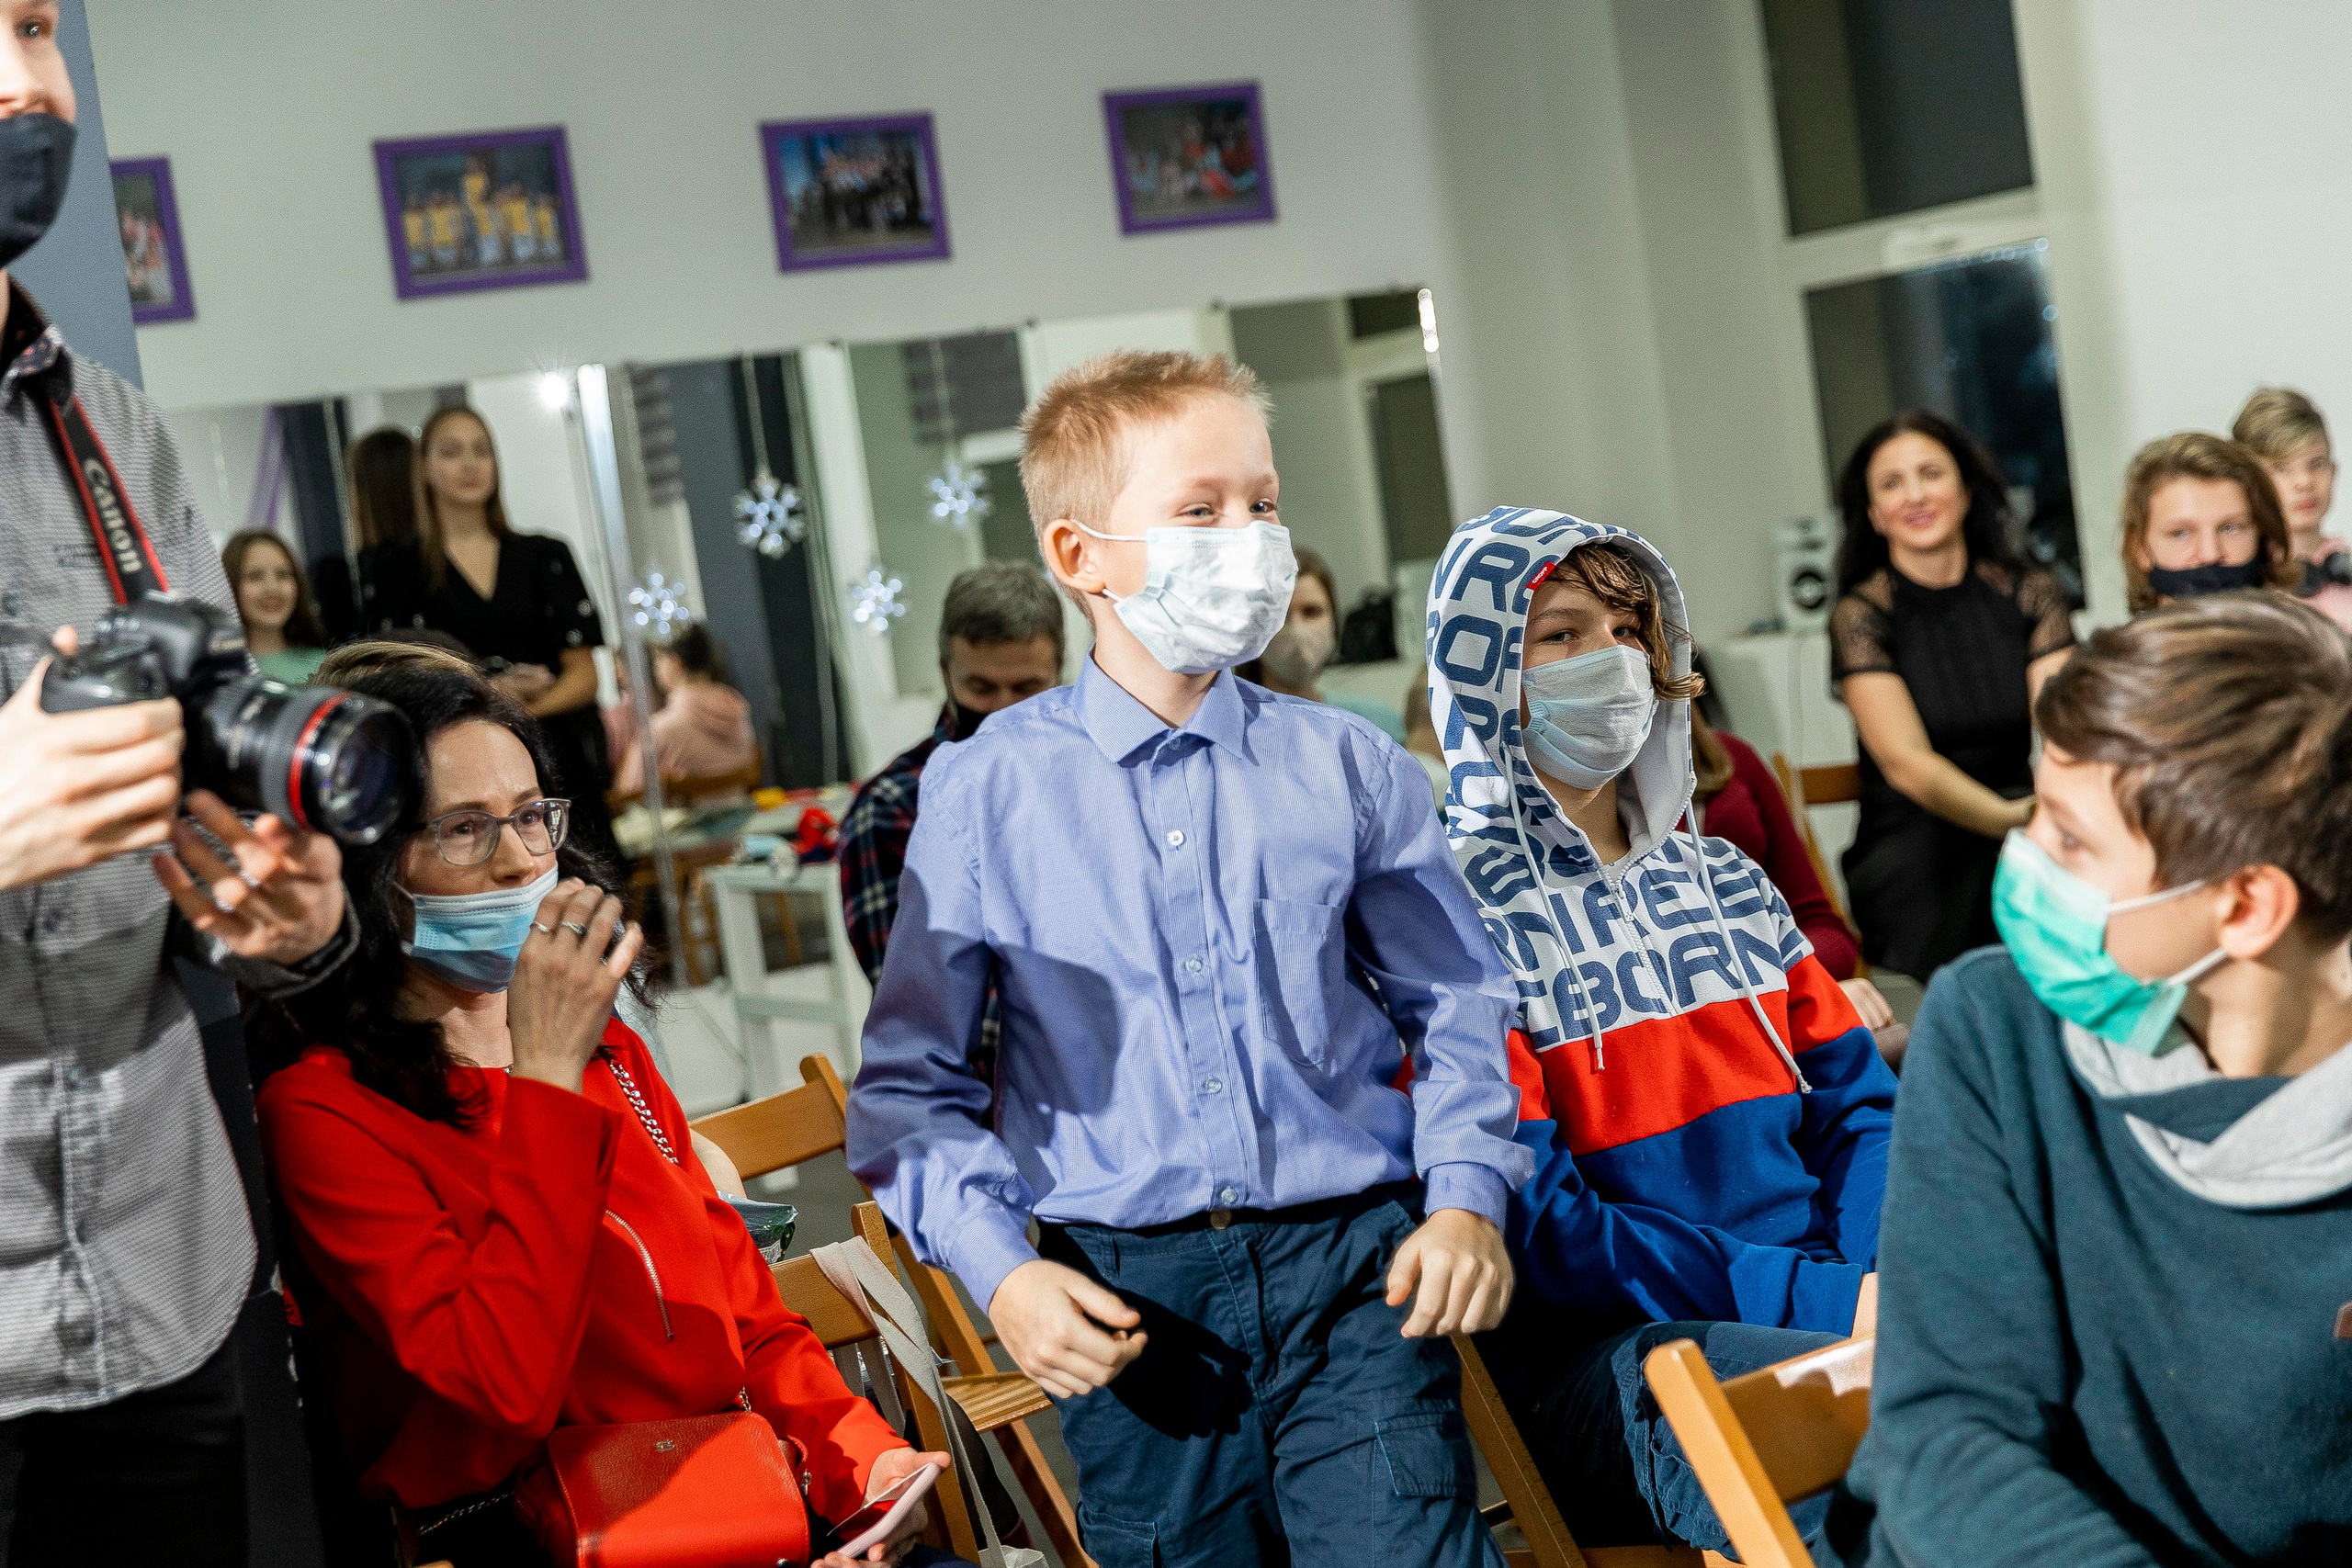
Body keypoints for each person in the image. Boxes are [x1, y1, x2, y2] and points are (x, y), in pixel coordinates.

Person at [848, 351, 1529, 1568]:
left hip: (1351, 1276)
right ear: (1079, 556)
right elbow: (910, 1091)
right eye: (1199, 509)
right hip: (1129, 1300)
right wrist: (1003, 1274)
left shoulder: (1352, 765)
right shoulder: (982, 793)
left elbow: (1461, 999)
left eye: (1262, 502)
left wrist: (1469, 1192)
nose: (1250, 537)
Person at [254, 661, 954, 1568]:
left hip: (739, 1497)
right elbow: (502, 1384)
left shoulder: (605, 1050)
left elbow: (744, 1312)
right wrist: (543, 1075)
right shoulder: (325, 1110)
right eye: (465, 829)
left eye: (531, 815)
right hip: (540, 1533)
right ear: (368, 866)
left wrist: (865, 1470)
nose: (518, 861)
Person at [0, 7, 354, 1561]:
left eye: (30, 23)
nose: (22, 81)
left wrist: (280, 906)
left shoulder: (114, 433)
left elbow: (203, 774)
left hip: (163, 1279)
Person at [1830, 594, 2352, 1565]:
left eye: (2070, 841)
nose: (2023, 857)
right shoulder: (1996, 1027)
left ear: (2243, 907)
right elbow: (1944, 1443)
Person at [1429, 513, 1895, 1555]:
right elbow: (1546, 1234)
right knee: (1871, 1485)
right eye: (1560, 635)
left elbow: (1862, 1112)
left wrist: (1877, 1283)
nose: (1609, 658)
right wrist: (1828, 1300)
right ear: (1482, 677)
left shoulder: (1727, 880)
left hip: (1826, 1295)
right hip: (1612, 1355)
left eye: (1629, 627)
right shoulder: (1448, 921)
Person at [1829, 410, 2076, 980]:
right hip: (1915, 836)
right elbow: (1906, 764)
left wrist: (2054, 817)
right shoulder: (1861, 616)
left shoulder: (2031, 594)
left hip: (2023, 811)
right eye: (1892, 484)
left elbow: (2066, 729)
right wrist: (2012, 824)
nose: (1915, 495)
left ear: (1966, 491)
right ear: (1873, 515)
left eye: (1930, 474)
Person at [368, 404, 616, 858]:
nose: (468, 464)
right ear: (424, 468)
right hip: (458, 769)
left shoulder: (545, 555)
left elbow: (585, 677)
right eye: (451, 452)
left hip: (554, 760)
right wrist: (493, 693)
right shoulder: (396, 570)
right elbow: (395, 681)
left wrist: (520, 708)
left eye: (481, 451)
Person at [838, 559, 1064, 987]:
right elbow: (922, 999)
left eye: (1026, 688)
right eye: (980, 688)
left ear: (1059, 671)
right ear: (945, 672)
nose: (1002, 711)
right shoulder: (893, 806)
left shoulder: (1096, 779)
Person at [1688, 696, 1908, 1062]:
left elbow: (1822, 924)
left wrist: (1803, 985)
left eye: (1629, 634)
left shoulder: (1732, 759)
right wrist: (1797, 991)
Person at [1235, 543, 1408, 742]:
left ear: (1334, 620)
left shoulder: (1377, 725)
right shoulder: (1231, 732)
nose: (1296, 629)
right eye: (1280, 615)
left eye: (1311, 612)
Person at [2119, 431, 2300, 612]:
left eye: (2229, 528)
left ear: (2263, 539)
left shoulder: (2310, 638)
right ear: (2139, 548)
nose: (2210, 553)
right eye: (2180, 533)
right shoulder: (2116, 641)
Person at [2232, 387, 2352, 631]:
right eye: (2281, 468)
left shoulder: (2346, 568)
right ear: (2248, 483)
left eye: (2316, 464)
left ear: (2333, 471)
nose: (2304, 482)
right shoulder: (2237, 582)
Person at [610, 623, 757, 796]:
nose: (656, 669)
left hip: (689, 822)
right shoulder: (739, 713)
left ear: (675, 663)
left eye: (659, 660)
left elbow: (627, 792)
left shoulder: (658, 729)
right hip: (745, 817)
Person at [221, 528, 330, 684]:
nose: (272, 588)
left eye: (282, 575)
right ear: (230, 585)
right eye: (255, 576)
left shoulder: (327, 664)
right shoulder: (221, 674)